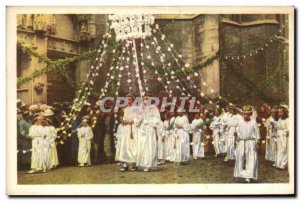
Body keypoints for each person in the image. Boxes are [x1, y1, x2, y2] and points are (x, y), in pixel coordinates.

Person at [136, 94, 162, 172]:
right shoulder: (141, 108)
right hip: (143, 129)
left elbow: (157, 119)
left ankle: (149, 164)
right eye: (144, 99)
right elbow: (137, 118)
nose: (145, 100)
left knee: (150, 146)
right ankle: (142, 163)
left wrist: (149, 122)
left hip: (150, 128)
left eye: (147, 99)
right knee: (142, 145)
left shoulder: (154, 108)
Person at [234, 105, 260, 183]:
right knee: (240, 158)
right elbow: (238, 132)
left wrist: (257, 142)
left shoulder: (253, 122)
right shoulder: (240, 122)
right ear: (242, 114)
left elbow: (257, 133)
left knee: (251, 159)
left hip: (250, 142)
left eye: (247, 114)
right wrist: (236, 135)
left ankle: (249, 176)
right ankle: (241, 174)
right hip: (242, 142)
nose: (246, 116)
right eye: (244, 114)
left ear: (250, 114)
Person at [119, 94, 140, 172]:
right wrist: (123, 121)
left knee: (133, 145)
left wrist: (133, 121)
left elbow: (139, 118)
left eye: (130, 99)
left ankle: (134, 164)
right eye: (127, 99)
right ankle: (125, 164)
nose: (128, 101)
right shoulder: (126, 108)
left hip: (133, 128)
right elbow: (124, 118)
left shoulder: (136, 109)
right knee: (125, 145)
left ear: (133, 100)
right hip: (126, 128)